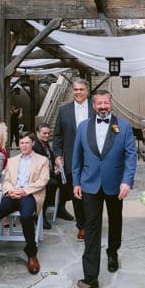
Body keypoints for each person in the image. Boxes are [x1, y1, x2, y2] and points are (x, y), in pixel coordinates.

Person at [72, 88, 137, 288]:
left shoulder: (124, 127)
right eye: (99, 103)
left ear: (111, 103)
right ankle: (91, 277)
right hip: (90, 183)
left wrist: (127, 181)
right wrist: (76, 181)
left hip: (116, 184)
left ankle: (112, 251)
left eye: (106, 103)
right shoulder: (83, 127)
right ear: (93, 105)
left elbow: (130, 156)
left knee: (115, 221)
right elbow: (77, 157)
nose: (102, 107)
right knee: (91, 227)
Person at [0, 131, 50, 275]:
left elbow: (43, 181)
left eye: (27, 142)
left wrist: (24, 191)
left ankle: (31, 253)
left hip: (29, 194)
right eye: (21, 143)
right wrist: (10, 191)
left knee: (26, 216)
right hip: (12, 193)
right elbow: (6, 180)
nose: (24, 145)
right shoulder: (12, 160)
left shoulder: (42, 160)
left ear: (33, 143)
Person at [52, 78, 93, 237]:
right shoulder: (64, 110)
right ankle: (81, 226)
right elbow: (57, 136)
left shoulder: (95, 108)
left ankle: (91, 223)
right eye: (75, 89)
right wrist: (57, 155)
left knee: (92, 193)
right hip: (71, 159)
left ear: (87, 91)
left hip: (93, 159)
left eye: (81, 89)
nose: (78, 92)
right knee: (77, 194)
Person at [32, 123, 63, 226]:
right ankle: (40, 214)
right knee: (52, 183)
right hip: (39, 176)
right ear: (37, 133)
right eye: (44, 133)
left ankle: (60, 207)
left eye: (48, 133)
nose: (47, 135)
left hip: (49, 172)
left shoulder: (45, 144)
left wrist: (57, 161)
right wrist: (54, 173)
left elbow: (51, 156)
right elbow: (39, 167)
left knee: (66, 178)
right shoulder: (35, 146)